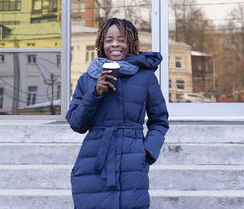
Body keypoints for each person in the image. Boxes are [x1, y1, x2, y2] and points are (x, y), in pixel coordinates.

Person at [66, 18, 169, 209]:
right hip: (94, 159)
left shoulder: (145, 77)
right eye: (109, 40)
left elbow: (159, 120)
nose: (115, 44)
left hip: (132, 160)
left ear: (130, 43)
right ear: (101, 44)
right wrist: (95, 93)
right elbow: (76, 124)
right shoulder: (88, 78)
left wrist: (146, 151)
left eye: (121, 39)